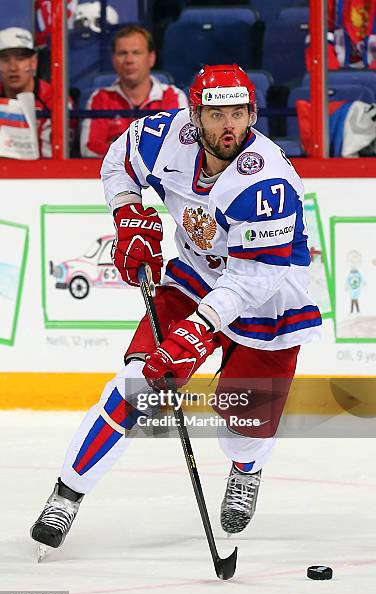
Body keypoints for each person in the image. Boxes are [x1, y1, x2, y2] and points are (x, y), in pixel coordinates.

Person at [30, 64, 321, 552]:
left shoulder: (268, 182)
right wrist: (128, 214)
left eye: (238, 113)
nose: (228, 125)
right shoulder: (165, 138)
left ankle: (246, 468)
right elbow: (118, 162)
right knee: (135, 386)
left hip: (268, 300)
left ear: (252, 114)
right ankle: (67, 494)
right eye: (215, 114)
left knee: (244, 418)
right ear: (194, 115)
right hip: (194, 278)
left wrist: (199, 331)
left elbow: (252, 280)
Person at [80, 25, 188, 158]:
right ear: (114, 59)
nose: (129, 60)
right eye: (122, 53)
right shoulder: (100, 99)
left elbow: (181, 147)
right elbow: (89, 149)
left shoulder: (174, 96)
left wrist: (117, 147)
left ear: (151, 58)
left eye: (136, 53)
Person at [0, 27, 74, 158]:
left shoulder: (57, 99)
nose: (13, 68)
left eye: (21, 59)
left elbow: (54, 156)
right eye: (5, 60)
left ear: (33, 62)